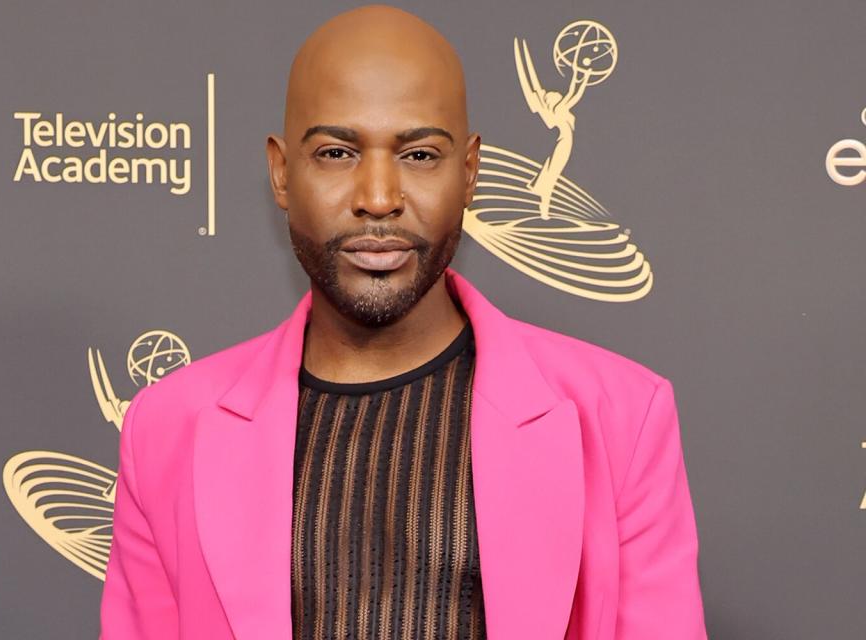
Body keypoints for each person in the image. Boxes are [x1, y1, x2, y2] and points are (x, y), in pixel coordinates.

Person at [100, 5, 708, 639]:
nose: (380, 196)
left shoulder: (619, 419)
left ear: (470, 173)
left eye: (419, 154)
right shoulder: (167, 430)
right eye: (337, 152)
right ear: (281, 172)